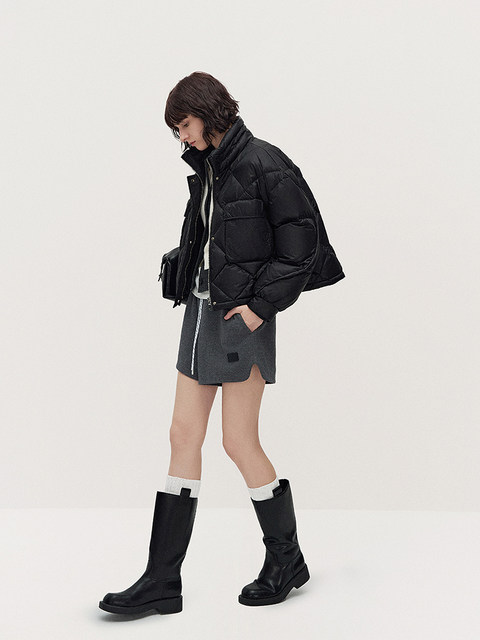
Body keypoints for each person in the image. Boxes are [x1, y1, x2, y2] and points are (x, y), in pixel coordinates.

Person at [99, 72, 345, 616]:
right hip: (200, 312)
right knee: (181, 434)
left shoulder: (264, 161)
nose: (182, 138)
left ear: (208, 113)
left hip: (241, 318)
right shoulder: (208, 168)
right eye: (176, 131)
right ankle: (162, 579)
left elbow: (303, 245)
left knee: (238, 441)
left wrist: (259, 308)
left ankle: (286, 559)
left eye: (184, 125)